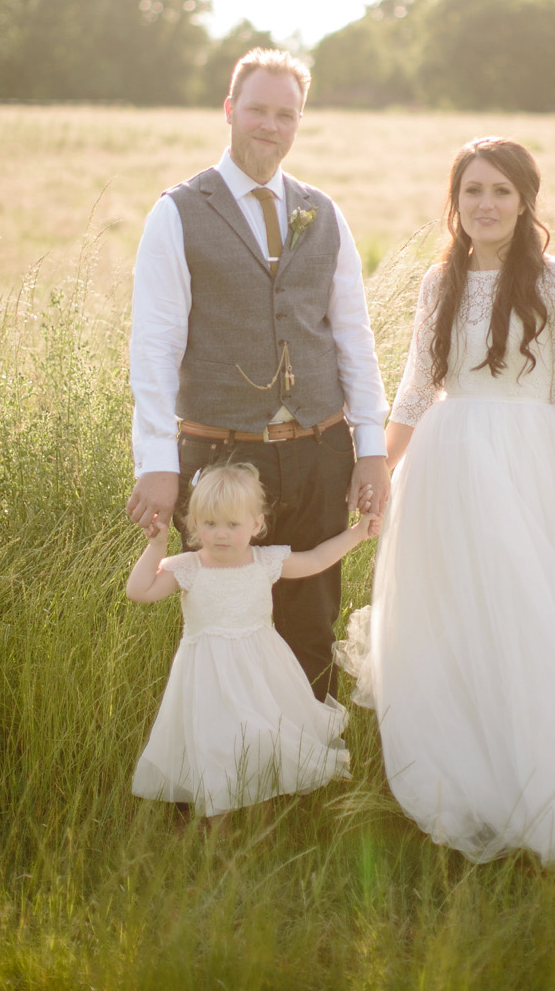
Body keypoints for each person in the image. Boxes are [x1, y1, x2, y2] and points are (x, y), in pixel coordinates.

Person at [337, 137, 555, 875]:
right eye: (472, 192)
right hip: (444, 467)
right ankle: (471, 784)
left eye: (500, 190)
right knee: (455, 626)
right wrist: (379, 473)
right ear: (455, 203)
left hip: (530, 465)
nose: (486, 205)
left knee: (537, 621)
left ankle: (554, 790)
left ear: (526, 199)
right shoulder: (441, 283)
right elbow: (412, 389)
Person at [126, 48, 390, 701]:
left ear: (298, 122)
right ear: (229, 110)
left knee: (311, 616)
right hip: (220, 455)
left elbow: (353, 337)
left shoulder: (322, 212)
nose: (270, 126)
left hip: (320, 449)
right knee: (225, 623)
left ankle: (310, 764)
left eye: (286, 114)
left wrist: (372, 449)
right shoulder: (178, 212)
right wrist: (156, 461)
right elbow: (154, 347)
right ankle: (230, 767)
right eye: (257, 110)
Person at [127, 463, 382, 817]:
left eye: (233, 524)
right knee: (215, 739)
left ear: (256, 524)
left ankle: (262, 807)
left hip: (260, 668)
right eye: (210, 524)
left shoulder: (265, 561)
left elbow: (317, 559)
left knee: (262, 732)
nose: (221, 534)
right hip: (207, 674)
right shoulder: (189, 566)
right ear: (194, 525)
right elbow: (139, 591)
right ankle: (218, 818)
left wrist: (358, 533)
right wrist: (156, 545)